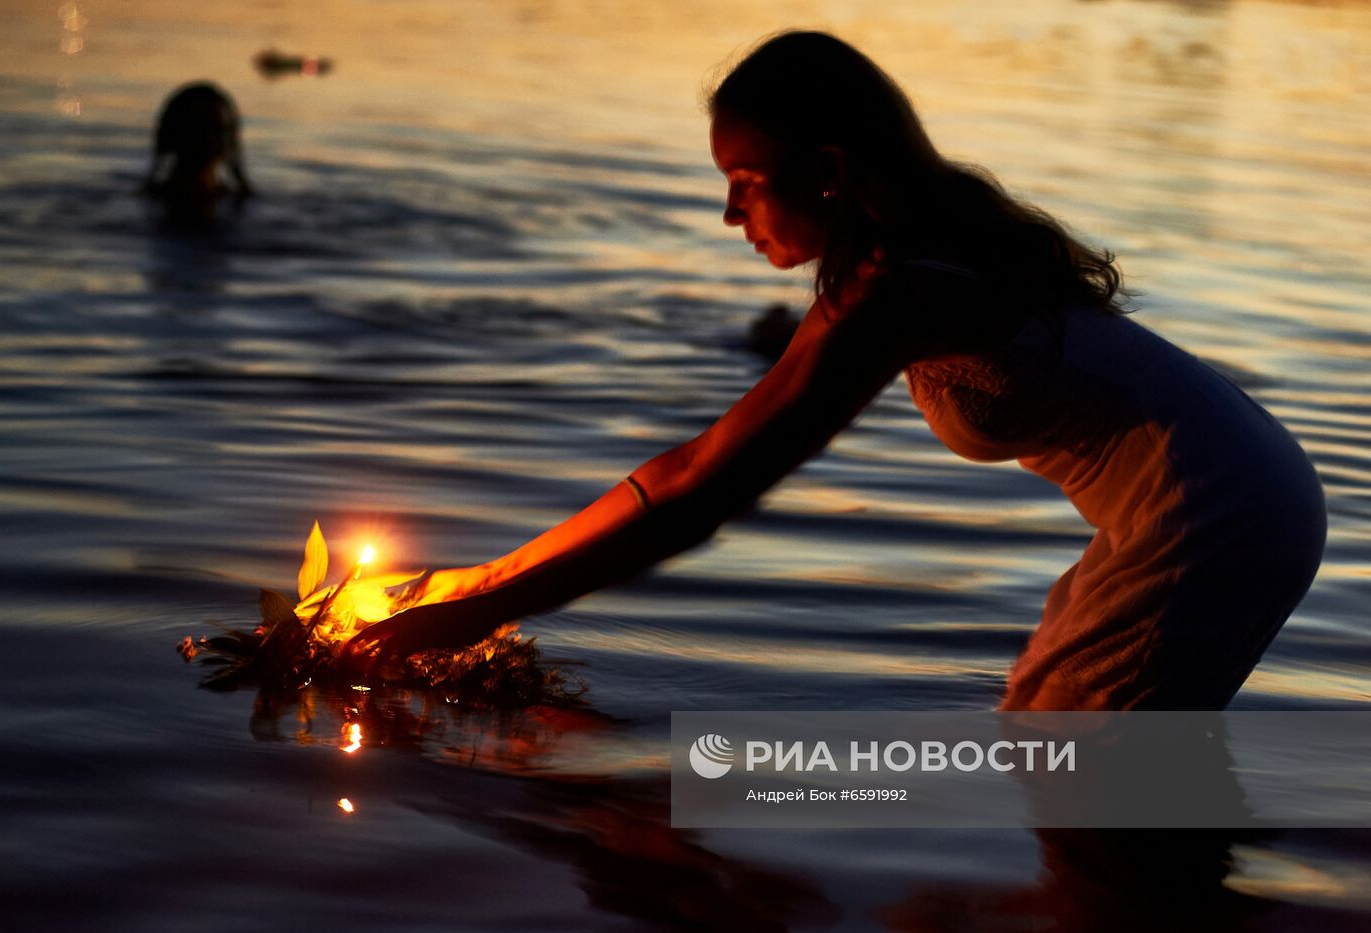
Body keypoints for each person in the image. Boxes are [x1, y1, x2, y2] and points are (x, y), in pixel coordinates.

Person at [343, 31, 1326, 713]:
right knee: (1054, 741)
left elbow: (702, 491)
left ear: (824, 171)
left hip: (1219, 515)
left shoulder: (904, 289)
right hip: (1224, 494)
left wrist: (477, 612)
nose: (730, 216)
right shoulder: (888, 270)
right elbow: (695, 460)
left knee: (1086, 779)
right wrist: (484, 578)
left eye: (742, 183)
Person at [143, 82, 252, 225]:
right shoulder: (145, 201)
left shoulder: (245, 203)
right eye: (195, 127)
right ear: (170, 134)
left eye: (217, 129)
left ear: (230, 139)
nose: (206, 138)